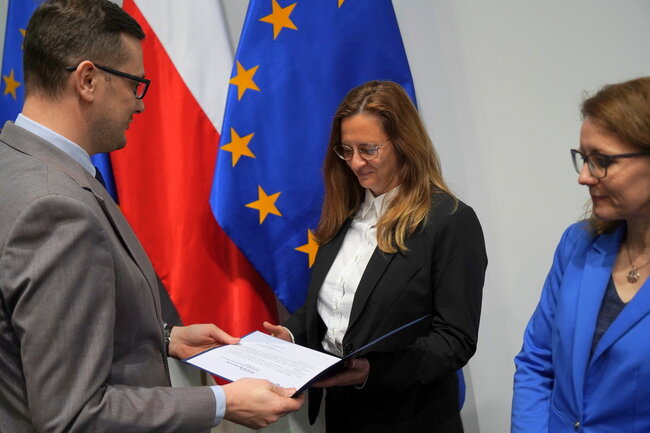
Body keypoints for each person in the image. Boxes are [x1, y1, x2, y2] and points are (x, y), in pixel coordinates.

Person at [0, 1, 303, 431]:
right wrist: (221, 401)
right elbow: (75, 416)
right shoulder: (56, 207)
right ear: (87, 80)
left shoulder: (15, 162)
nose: (140, 106)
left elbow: (36, 330)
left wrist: (162, 337)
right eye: (134, 84)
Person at [264, 80, 487, 433]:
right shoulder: (344, 213)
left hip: (412, 419)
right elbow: (332, 309)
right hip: (343, 417)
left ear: (404, 144)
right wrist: (290, 335)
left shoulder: (449, 220)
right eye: (346, 149)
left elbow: (455, 340)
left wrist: (373, 371)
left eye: (368, 149)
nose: (355, 163)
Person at [511, 77, 650, 433]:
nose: (584, 177)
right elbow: (537, 361)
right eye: (584, 159)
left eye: (602, 161)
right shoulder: (578, 244)